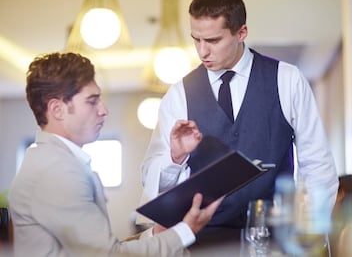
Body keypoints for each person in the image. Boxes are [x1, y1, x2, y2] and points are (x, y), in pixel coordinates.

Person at [139, 0, 338, 230]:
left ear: (241, 32)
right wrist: (175, 157)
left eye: (213, 40)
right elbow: (152, 181)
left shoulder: (287, 80)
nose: (202, 51)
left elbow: (317, 165)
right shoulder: (179, 94)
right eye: (196, 40)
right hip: (202, 241)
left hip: (273, 236)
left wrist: (309, 233)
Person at [8, 52, 222, 257]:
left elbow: (98, 249)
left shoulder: (52, 161)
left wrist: (156, 234)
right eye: (92, 101)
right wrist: (186, 231)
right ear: (57, 109)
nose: (103, 110)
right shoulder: (57, 170)